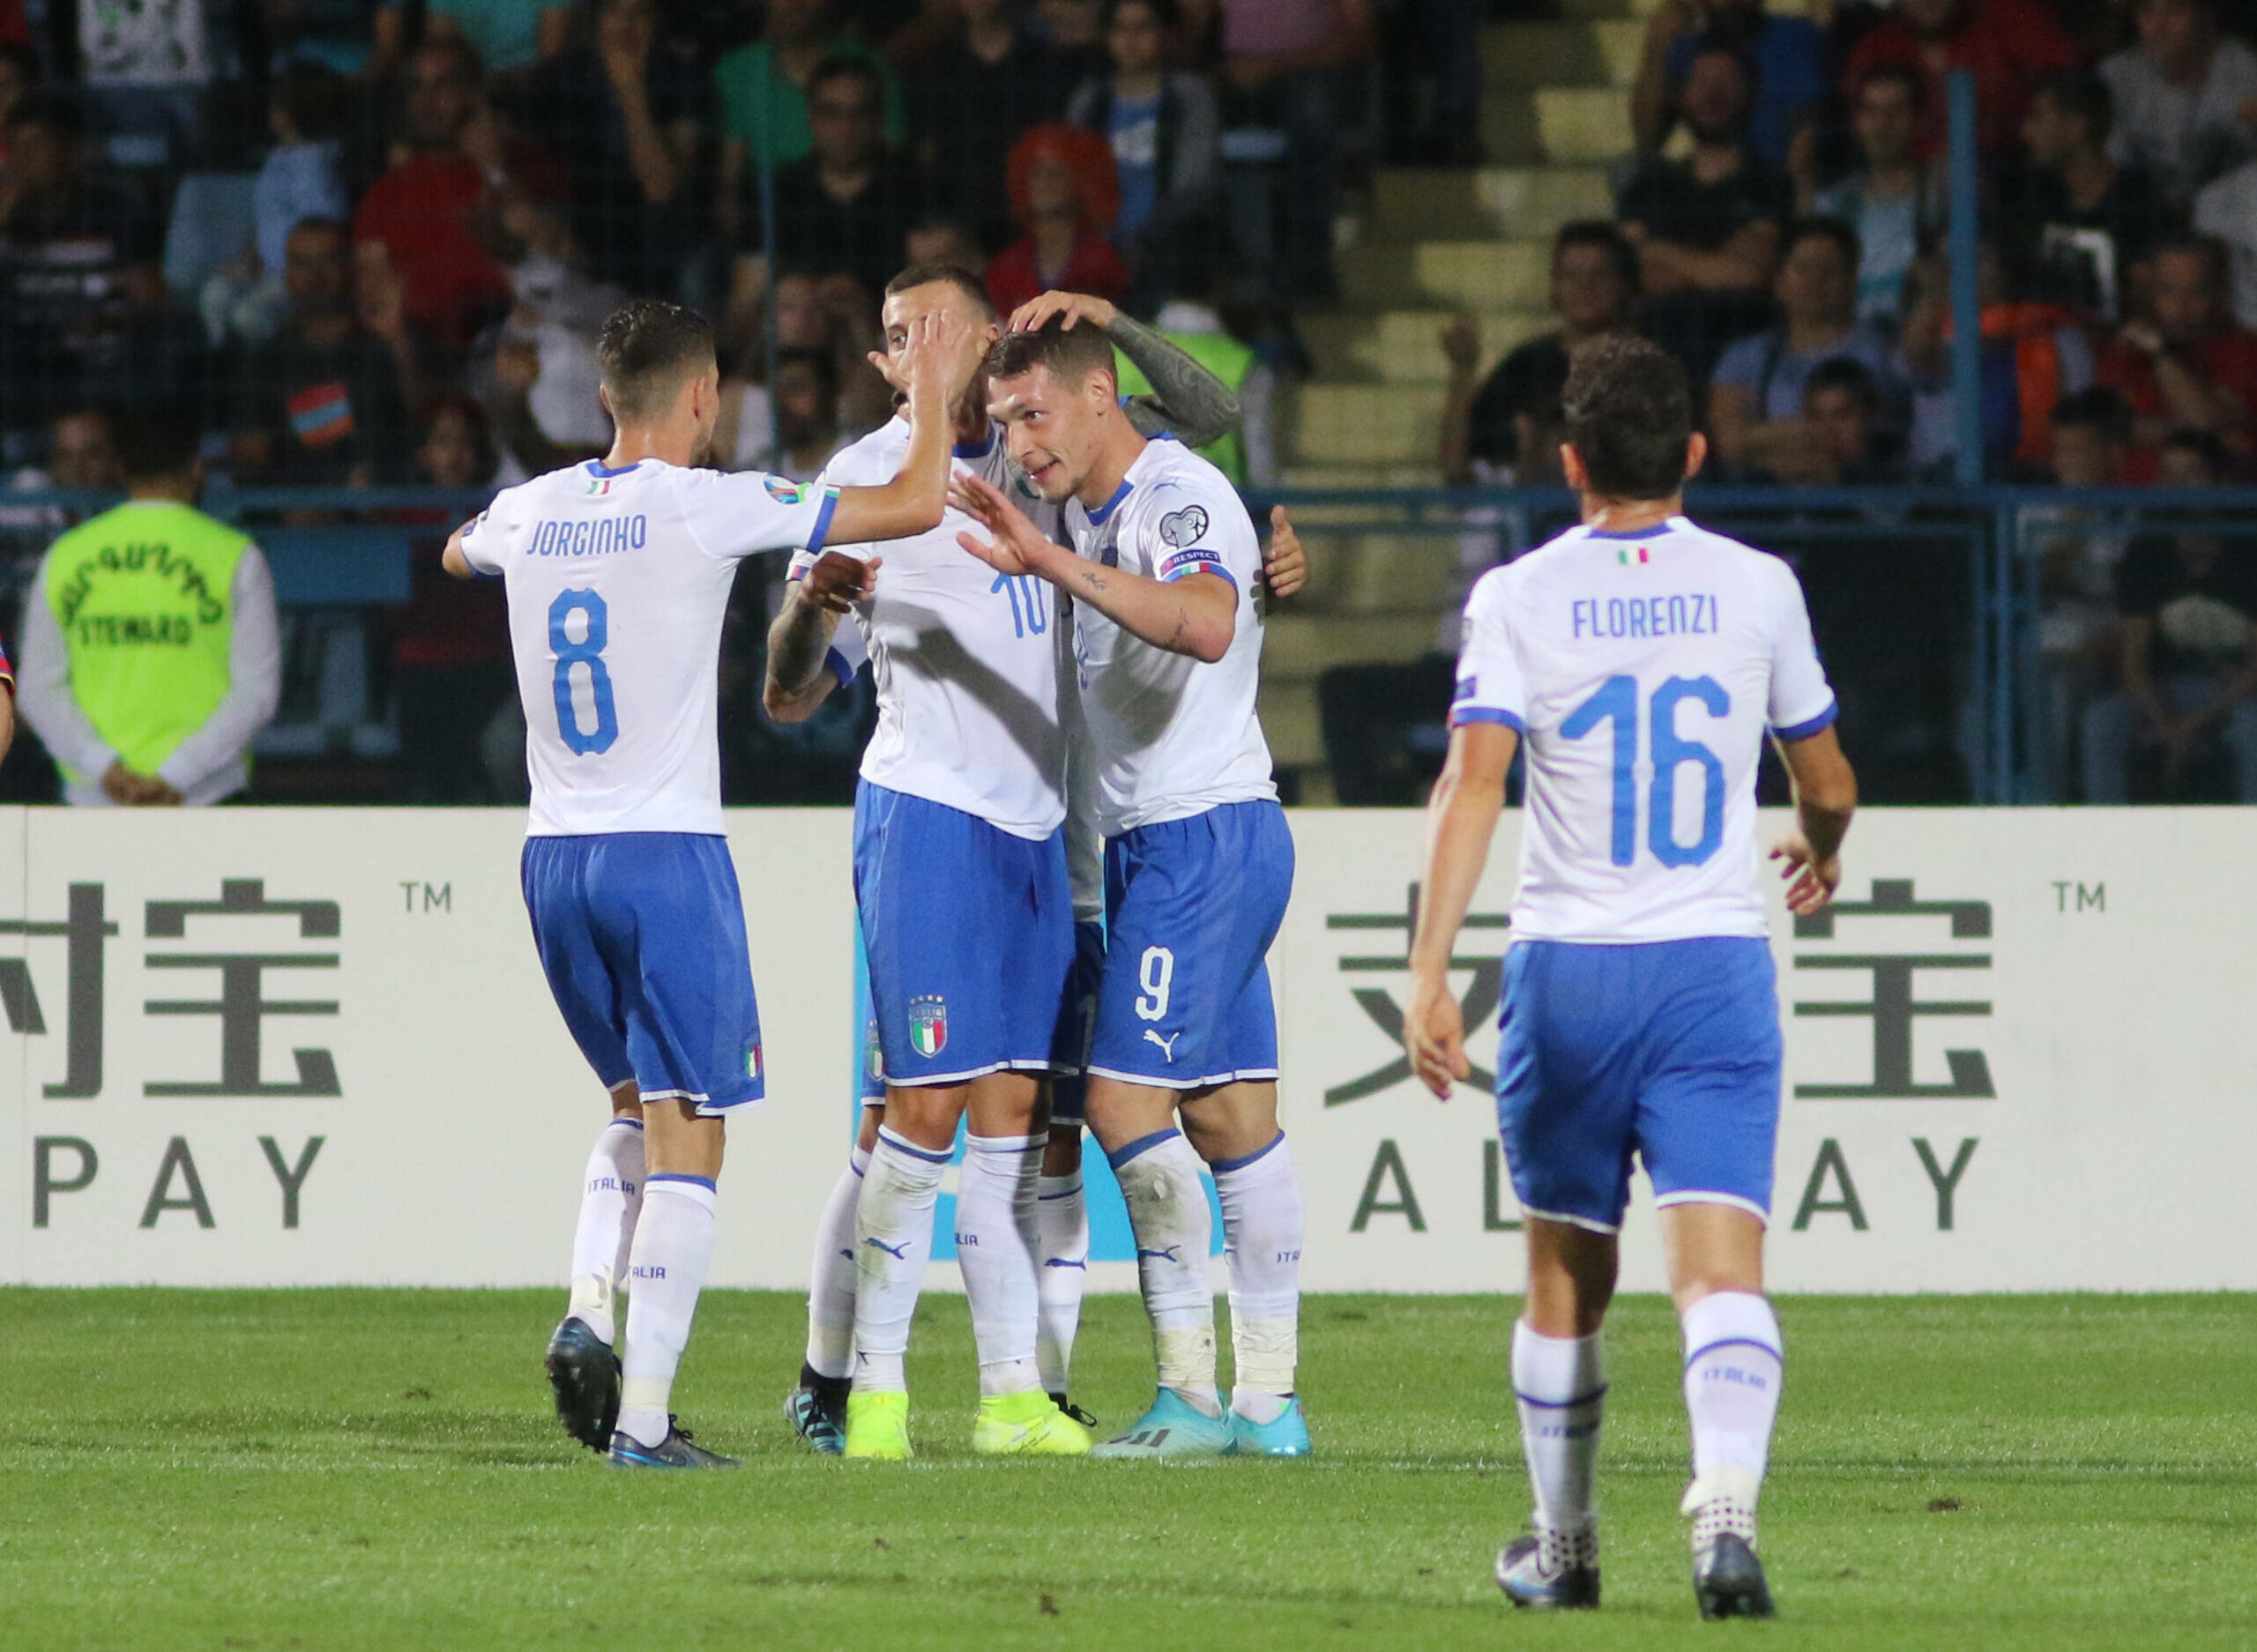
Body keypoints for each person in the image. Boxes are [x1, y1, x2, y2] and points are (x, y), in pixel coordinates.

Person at [440, 296, 974, 1468]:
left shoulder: (533, 508)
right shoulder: (709, 501)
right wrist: (932, 389)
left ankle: (590, 1300)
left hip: (551, 857)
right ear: (701, 398)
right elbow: (918, 502)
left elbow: (455, 545)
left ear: (602, 401)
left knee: (635, 1109)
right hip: (664, 855)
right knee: (696, 1135)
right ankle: (641, 1424)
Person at [761, 275, 1273, 1457]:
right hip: (928, 816)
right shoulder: (865, 484)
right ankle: (867, 1391)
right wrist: (812, 610)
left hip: (1043, 834)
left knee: (1011, 1121)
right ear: (885, 368)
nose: (912, 350)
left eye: (932, 326)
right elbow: (791, 693)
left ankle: (1007, 1395)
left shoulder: (1050, 462)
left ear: (991, 346)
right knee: (918, 1110)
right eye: (892, 338)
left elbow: (1202, 419)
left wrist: (1121, 321)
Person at [1403, 334, 1858, 1619]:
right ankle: (1724, 1509)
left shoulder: (1516, 596)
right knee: (1721, 1273)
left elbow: (1473, 783)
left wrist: (1429, 971)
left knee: (1563, 1274)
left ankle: (1567, 1547)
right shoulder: (1759, 585)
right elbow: (1826, 782)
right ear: (1695, 453)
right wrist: (1817, 853)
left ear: (1568, 461)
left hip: (1570, 972)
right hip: (1711, 967)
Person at [951, 315, 1308, 1461]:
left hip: (1201, 835)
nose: (1018, 441)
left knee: (1118, 1101)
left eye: (1034, 414)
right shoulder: (1079, 499)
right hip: (1170, 841)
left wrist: (1052, 561)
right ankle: (1270, 1402)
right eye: (1004, 420)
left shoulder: (1177, 495)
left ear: (1103, 396)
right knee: (1230, 1116)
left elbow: (1207, 620)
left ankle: (1190, 1398)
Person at [17, 406, 281, 808]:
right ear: (196, 467)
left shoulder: (66, 557)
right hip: (206, 794)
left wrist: (105, 769)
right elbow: (256, 692)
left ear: (119, 469)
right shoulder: (236, 557)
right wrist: (179, 773)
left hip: (96, 797)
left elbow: (37, 690)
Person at [2081, 428, 2257, 800]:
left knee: (2253, 730)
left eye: (2191, 475)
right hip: (2163, 688)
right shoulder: (2146, 551)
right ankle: (2104, 844)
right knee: (2101, 724)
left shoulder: (2248, 549)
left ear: (2220, 483)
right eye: (2169, 475)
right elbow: (2133, 663)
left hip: (2234, 694)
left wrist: (2194, 724)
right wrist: (2167, 722)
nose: (2177, 487)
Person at [1616, 43, 1793, 399]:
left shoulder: (1772, 184)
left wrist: (1656, 248)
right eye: (1701, 82)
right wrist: (1719, 264)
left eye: (1726, 82)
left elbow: (1749, 274)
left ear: (1749, 95)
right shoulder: (1646, 185)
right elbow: (1633, 277)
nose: (1713, 94)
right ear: (1681, 95)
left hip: (1747, 363)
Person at [523, 0, 710, 295]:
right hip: (576, 227)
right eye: (614, 12)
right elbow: (535, 176)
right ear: (597, 18)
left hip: (656, 239)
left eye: (640, 14)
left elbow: (662, 188)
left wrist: (630, 90)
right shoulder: (560, 76)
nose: (625, 27)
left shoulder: (685, 78)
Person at [1443, 221, 1640, 486]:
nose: (1585, 287)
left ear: (1623, 283)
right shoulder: (1523, 367)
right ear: (1554, 287)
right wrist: (1463, 370)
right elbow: (1457, 472)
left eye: (1599, 274)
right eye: (1571, 275)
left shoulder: (1652, 366)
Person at [1708, 218, 1903, 480]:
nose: (1816, 279)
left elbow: (1886, 437)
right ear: (1778, 280)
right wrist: (1815, 434)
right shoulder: (1744, 356)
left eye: (1830, 269)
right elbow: (1727, 442)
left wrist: (1764, 439)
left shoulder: (1884, 350)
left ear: (1853, 279)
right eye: (1802, 267)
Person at [230, 218, 417, 487]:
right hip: (301, 514)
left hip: (391, 510)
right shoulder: (267, 359)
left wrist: (397, 336)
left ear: (348, 267)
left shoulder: (388, 341)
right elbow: (250, 455)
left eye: (328, 260)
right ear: (287, 273)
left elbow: (421, 421)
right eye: (301, 263)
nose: (315, 276)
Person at [713, 0, 905, 247]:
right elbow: (729, 186)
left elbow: (898, 168)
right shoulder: (738, 70)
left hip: (867, 225)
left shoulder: (872, 67)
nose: (796, 4)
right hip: (775, 225)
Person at [1067, 0, 1220, 296]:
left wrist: (1141, 242)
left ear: (1165, 34)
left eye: (1143, 28)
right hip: (1097, 244)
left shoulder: (1190, 96)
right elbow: (1075, 181)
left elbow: (1194, 186)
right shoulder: (1089, 100)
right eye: (1121, 29)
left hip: (1172, 246)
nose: (1131, 40)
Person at [2004, 70, 2168, 324]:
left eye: (2037, 118)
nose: (2026, 131)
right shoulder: (2033, 197)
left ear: (2076, 128)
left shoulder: (2140, 200)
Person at [910, 0, 1072, 244]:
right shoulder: (935, 71)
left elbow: (1059, 149)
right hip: (960, 227)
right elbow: (927, 156)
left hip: (1031, 228)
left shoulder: (1046, 64)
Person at [1841, 0, 2079, 160]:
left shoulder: (2008, 18)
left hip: (2013, 173)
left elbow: (2069, 90)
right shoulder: (1876, 47)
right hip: (1904, 184)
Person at [2097, 234, 2257, 469]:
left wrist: (2161, 354)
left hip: (2217, 502)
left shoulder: (2244, 349)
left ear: (2219, 293)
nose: (2180, 308)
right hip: (2130, 499)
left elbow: (2205, 421)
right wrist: (2191, 431)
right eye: (2168, 291)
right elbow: (2101, 429)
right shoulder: (2127, 348)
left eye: (2197, 292)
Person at [1808, 65, 1939, 324]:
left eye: (1897, 110)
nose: (1883, 123)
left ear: (1917, 119)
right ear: (1857, 120)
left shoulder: (1940, 195)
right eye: (1872, 110)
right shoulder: (1834, 202)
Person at [1634, 0, 1828, 170]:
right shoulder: (1687, 48)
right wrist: (1657, 47)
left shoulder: (1794, 38)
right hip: (1709, 183)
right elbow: (1648, 141)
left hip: (1773, 189)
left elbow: (1804, 143)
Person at [2099, 0, 2257, 205]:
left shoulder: (2245, 71)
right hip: (2139, 213)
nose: (2160, 26)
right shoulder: (2117, 75)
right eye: (2147, 12)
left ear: (2204, 16)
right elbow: (2109, 165)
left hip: (2228, 213)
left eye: (2174, 11)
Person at [986, 125, 1130, 316]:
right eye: (1037, 172)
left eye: (1057, 173)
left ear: (1081, 183)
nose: (1045, 183)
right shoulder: (1006, 267)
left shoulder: (1104, 261)